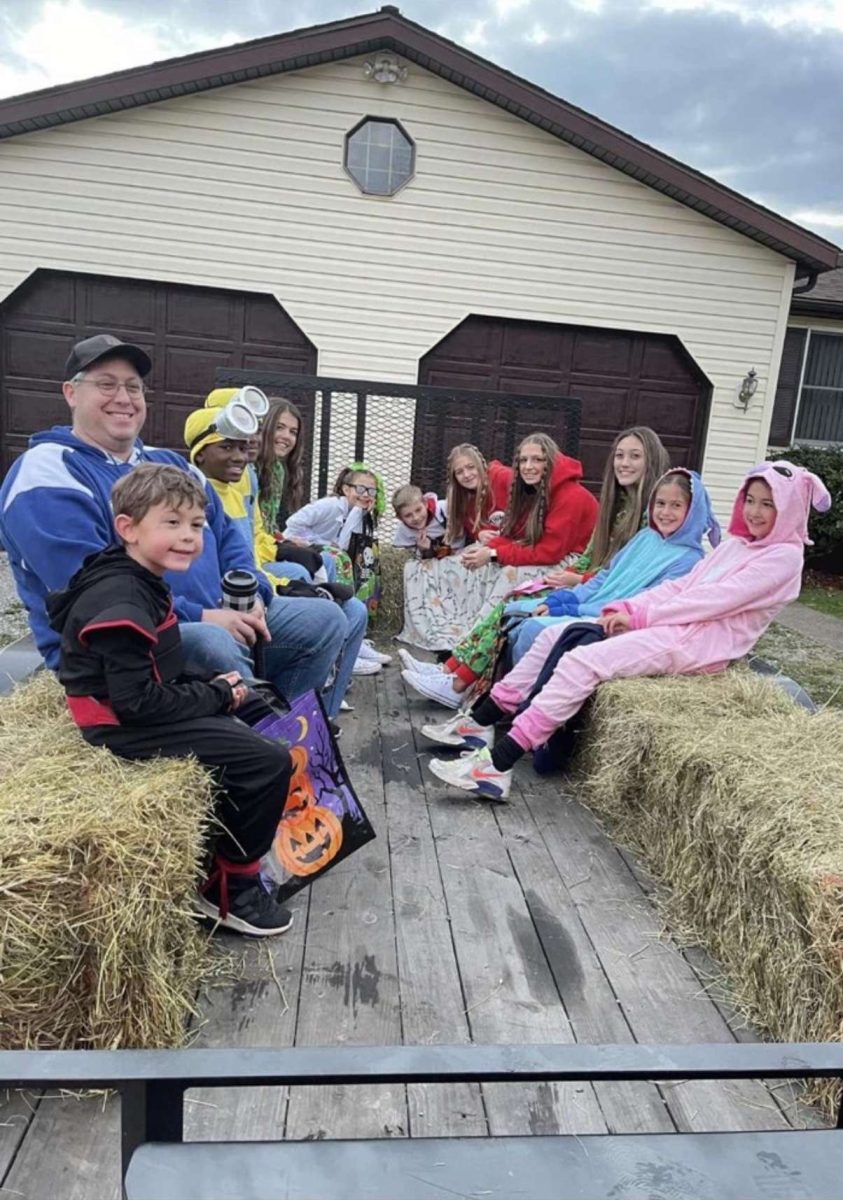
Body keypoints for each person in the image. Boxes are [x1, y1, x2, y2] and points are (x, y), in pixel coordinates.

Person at [426, 461, 831, 801]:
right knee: (552, 636)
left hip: (700, 643)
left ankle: (498, 766)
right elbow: (681, 589)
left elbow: (714, 601)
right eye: (752, 501)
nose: (757, 512)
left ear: (793, 509)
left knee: (582, 661)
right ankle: (481, 719)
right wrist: (629, 607)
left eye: (769, 504)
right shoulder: (737, 546)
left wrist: (639, 618)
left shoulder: (783, 559)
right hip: (677, 625)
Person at [0, 333, 347, 708]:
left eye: (133, 387)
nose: (123, 398)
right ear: (71, 393)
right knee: (212, 642)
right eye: (106, 384)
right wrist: (202, 616)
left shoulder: (169, 461)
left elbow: (228, 533)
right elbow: (91, 591)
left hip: (215, 613)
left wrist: (251, 593)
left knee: (326, 619)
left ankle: (285, 727)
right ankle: (256, 744)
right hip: (129, 642)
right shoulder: (47, 471)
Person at [47, 464, 294, 937]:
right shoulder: (121, 598)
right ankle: (230, 889)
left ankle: (247, 837)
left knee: (259, 707)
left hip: (134, 705)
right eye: (172, 523)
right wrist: (216, 695)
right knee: (267, 762)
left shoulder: (139, 576)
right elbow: (136, 704)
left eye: (196, 525)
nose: (188, 537)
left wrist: (222, 689)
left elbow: (155, 665)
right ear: (128, 528)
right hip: (117, 724)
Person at [422, 468, 718, 740]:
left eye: (676, 506)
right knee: (513, 609)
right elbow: (603, 579)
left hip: (611, 622)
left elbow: (636, 604)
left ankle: (518, 713)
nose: (665, 512)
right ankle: (477, 697)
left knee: (533, 629)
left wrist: (569, 610)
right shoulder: (645, 538)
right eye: (660, 504)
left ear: (693, 511)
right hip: (588, 605)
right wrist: (563, 599)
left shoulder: (688, 560)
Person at [398, 427, 670, 705]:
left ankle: (460, 684)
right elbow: (583, 551)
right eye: (620, 456)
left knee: (513, 591)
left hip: (587, 584)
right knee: (511, 598)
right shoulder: (591, 500)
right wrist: (494, 550)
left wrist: (576, 578)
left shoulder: (587, 500)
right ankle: (451, 671)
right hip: (581, 578)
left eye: (635, 456)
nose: (624, 463)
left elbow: (571, 557)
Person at [183, 405, 368, 716]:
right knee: (311, 582)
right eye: (227, 446)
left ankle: (319, 717)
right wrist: (283, 576)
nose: (240, 454)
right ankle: (274, 722)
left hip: (249, 586)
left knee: (350, 608)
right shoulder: (191, 491)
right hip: (208, 610)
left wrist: (264, 586)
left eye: (244, 444)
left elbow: (246, 547)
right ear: (200, 452)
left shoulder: (240, 483)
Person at [399, 435, 596, 652]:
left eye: (536, 460)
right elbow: (515, 532)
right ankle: (457, 627)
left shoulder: (569, 496)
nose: (528, 467)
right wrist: (488, 550)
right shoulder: (533, 490)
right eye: (523, 461)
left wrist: (493, 554)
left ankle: (475, 645)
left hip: (573, 561)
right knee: (475, 559)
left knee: (507, 573)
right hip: (541, 550)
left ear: (549, 461)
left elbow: (548, 552)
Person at [283, 462, 391, 675]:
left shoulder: (357, 513)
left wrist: (358, 516)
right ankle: (340, 646)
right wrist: (318, 542)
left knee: (361, 565)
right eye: (361, 489)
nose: (366, 494)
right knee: (339, 560)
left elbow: (346, 544)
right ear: (346, 489)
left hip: (326, 556)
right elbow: (292, 524)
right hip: (299, 551)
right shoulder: (330, 506)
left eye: (371, 490)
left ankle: (354, 641)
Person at [391, 484, 448, 559]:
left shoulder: (443, 510)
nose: (416, 518)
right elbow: (408, 560)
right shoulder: (403, 532)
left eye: (418, 510)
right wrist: (423, 550)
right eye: (408, 515)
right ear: (400, 518)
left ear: (425, 503)